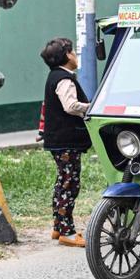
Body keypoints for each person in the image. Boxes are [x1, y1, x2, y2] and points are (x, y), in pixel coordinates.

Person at [40, 37, 91, 247]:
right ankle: (67, 232)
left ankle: (57, 226)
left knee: (62, 182)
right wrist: (90, 106)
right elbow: (70, 106)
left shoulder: (55, 76)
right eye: (72, 52)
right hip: (66, 139)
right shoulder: (64, 79)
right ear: (66, 56)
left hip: (58, 140)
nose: (75, 56)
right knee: (70, 184)